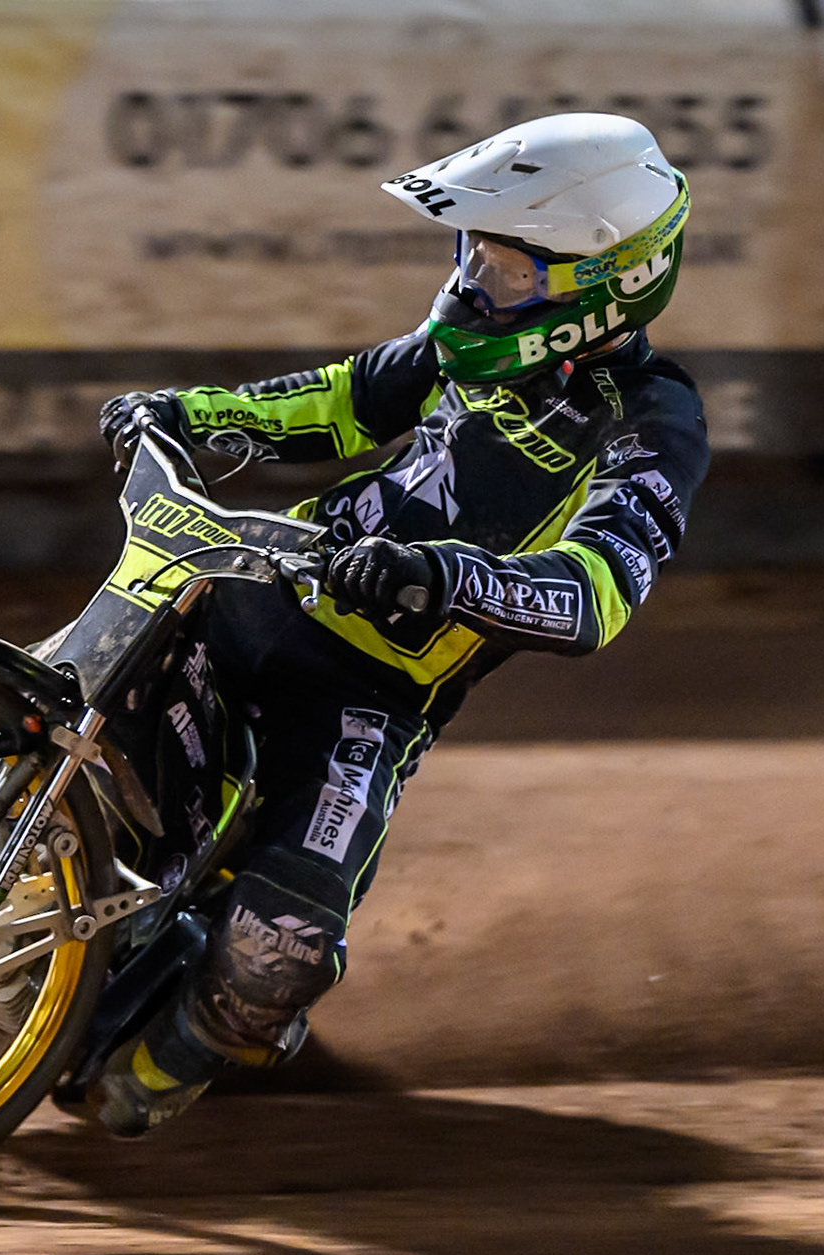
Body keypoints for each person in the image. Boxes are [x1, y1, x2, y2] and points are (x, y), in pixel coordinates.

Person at [83, 112, 710, 1136]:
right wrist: (189, 412)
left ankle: (160, 1065)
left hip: (370, 691)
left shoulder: (652, 418)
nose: (472, 281)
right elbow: (338, 403)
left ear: (601, 285)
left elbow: (597, 591)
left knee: (279, 943)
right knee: (20, 708)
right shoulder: (458, 347)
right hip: (252, 583)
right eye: (472, 250)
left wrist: (441, 577)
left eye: (506, 266)